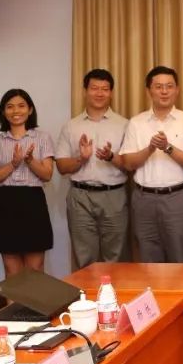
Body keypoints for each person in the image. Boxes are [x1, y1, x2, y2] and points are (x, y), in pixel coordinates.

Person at [121, 66, 183, 263]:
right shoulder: (136, 123)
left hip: (177, 199)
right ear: (149, 90)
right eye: (158, 87)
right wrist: (150, 148)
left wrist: (167, 147)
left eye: (169, 86)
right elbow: (128, 163)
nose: (164, 91)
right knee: (148, 259)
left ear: (177, 90)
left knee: (180, 258)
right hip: (144, 199)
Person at [54, 68, 130, 267]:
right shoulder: (71, 126)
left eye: (105, 89)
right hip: (80, 196)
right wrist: (81, 158)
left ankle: (113, 289)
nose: (99, 93)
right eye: (94, 88)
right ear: (85, 91)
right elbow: (61, 166)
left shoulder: (124, 125)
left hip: (114, 195)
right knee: (84, 258)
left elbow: (130, 165)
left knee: (116, 257)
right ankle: (88, 289)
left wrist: (111, 157)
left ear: (111, 92)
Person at [0, 88, 56, 275]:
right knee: (11, 269)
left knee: (35, 269)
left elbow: (47, 174)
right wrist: (13, 164)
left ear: (30, 110)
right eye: (10, 107)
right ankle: (14, 298)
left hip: (34, 201)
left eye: (21, 106)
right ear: (3, 112)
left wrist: (30, 161)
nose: (16, 111)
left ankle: (34, 297)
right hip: (7, 202)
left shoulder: (42, 138)